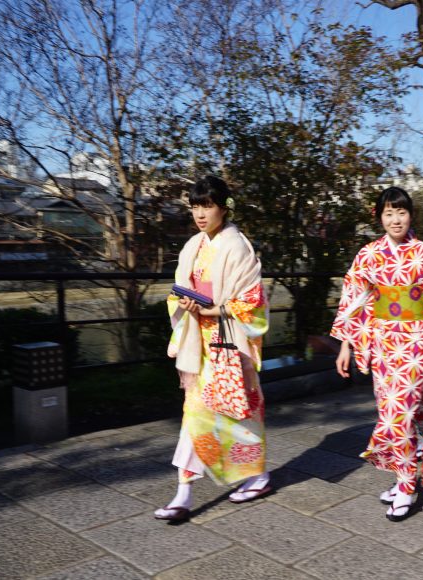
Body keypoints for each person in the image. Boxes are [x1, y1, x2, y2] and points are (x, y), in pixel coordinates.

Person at [332, 187, 423, 522]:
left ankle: (407, 485)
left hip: (415, 344)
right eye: (389, 213)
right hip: (382, 344)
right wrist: (347, 345)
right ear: (379, 216)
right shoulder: (369, 254)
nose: (396, 219)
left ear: (411, 215)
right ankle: (403, 476)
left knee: (399, 415)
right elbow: (355, 299)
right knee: (391, 413)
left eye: (402, 212)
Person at [154, 176, 271, 524]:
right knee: (196, 413)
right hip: (199, 343)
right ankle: (184, 493)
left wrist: (211, 309)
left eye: (207, 205)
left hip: (229, 343)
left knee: (240, 413)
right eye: (195, 206)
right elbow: (177, 290)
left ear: (224, 207)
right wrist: (184, 302)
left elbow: (254, 301)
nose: (200, 214)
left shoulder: (237, 246)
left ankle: (259, 475)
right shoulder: (193, 246)